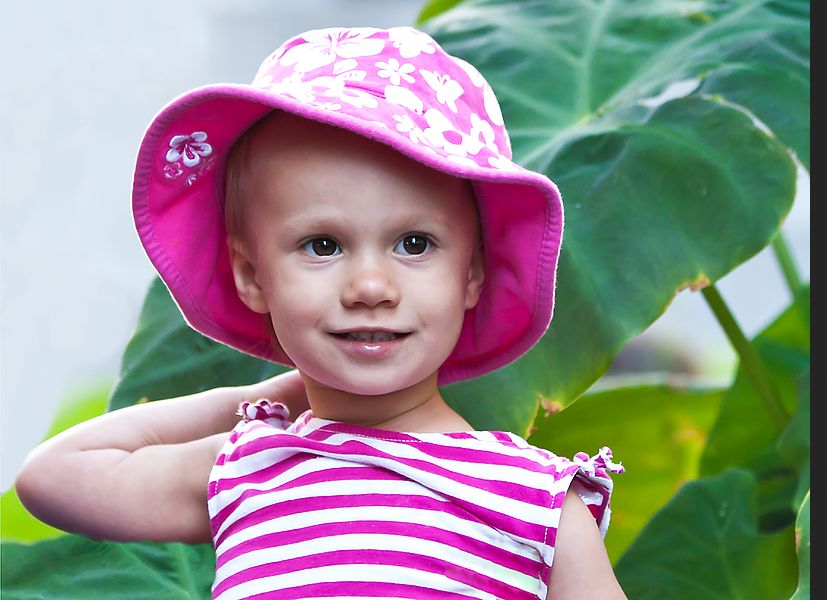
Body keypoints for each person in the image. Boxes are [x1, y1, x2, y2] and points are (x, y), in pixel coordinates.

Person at [15, 26, 626, 599]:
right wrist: (277, 398)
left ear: (472, 274)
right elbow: (57, 478)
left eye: (415, 244)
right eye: (323, 246)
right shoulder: (251, 466)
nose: (369, 285)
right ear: (253, 276)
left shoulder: (534, 499)